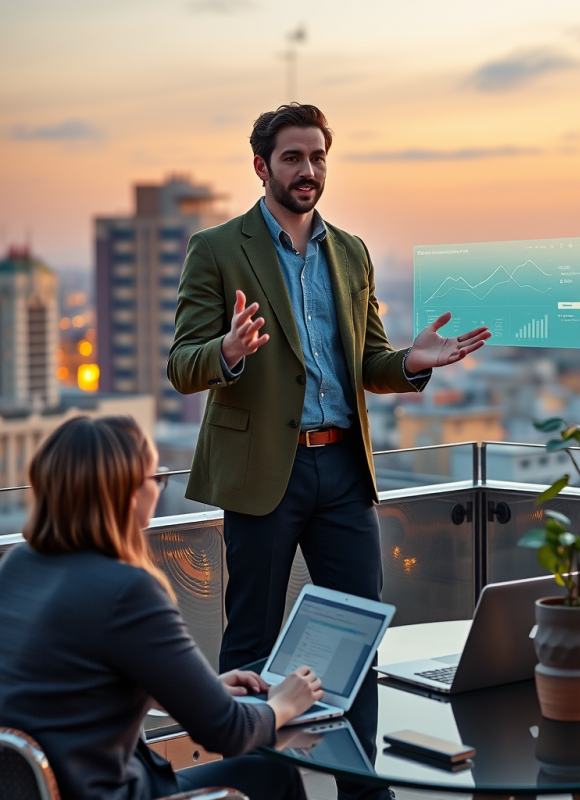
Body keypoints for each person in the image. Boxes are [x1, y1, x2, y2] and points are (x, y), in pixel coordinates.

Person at [167, 103, 491, 672]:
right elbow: (182, 365)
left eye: (318, 157)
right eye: (292, 158)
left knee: (359, 634)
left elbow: (368, 362)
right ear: (261, 168)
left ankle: (353, 763)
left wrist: (411, 362)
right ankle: (256, 762)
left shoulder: (350, 251)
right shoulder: (217, 248)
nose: (308, 170)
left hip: (343, 469)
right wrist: (228, 350)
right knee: (252, 640)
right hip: (264, 469)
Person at [0, 416, 322, 800]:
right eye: (157, 478)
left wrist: (202, 692)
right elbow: (229, 733)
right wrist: (286, 703)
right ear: (127, 493)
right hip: (105, 791)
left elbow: (64, 684)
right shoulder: (128, 589)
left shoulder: (19, 564)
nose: (159, 489)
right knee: (272, 772)